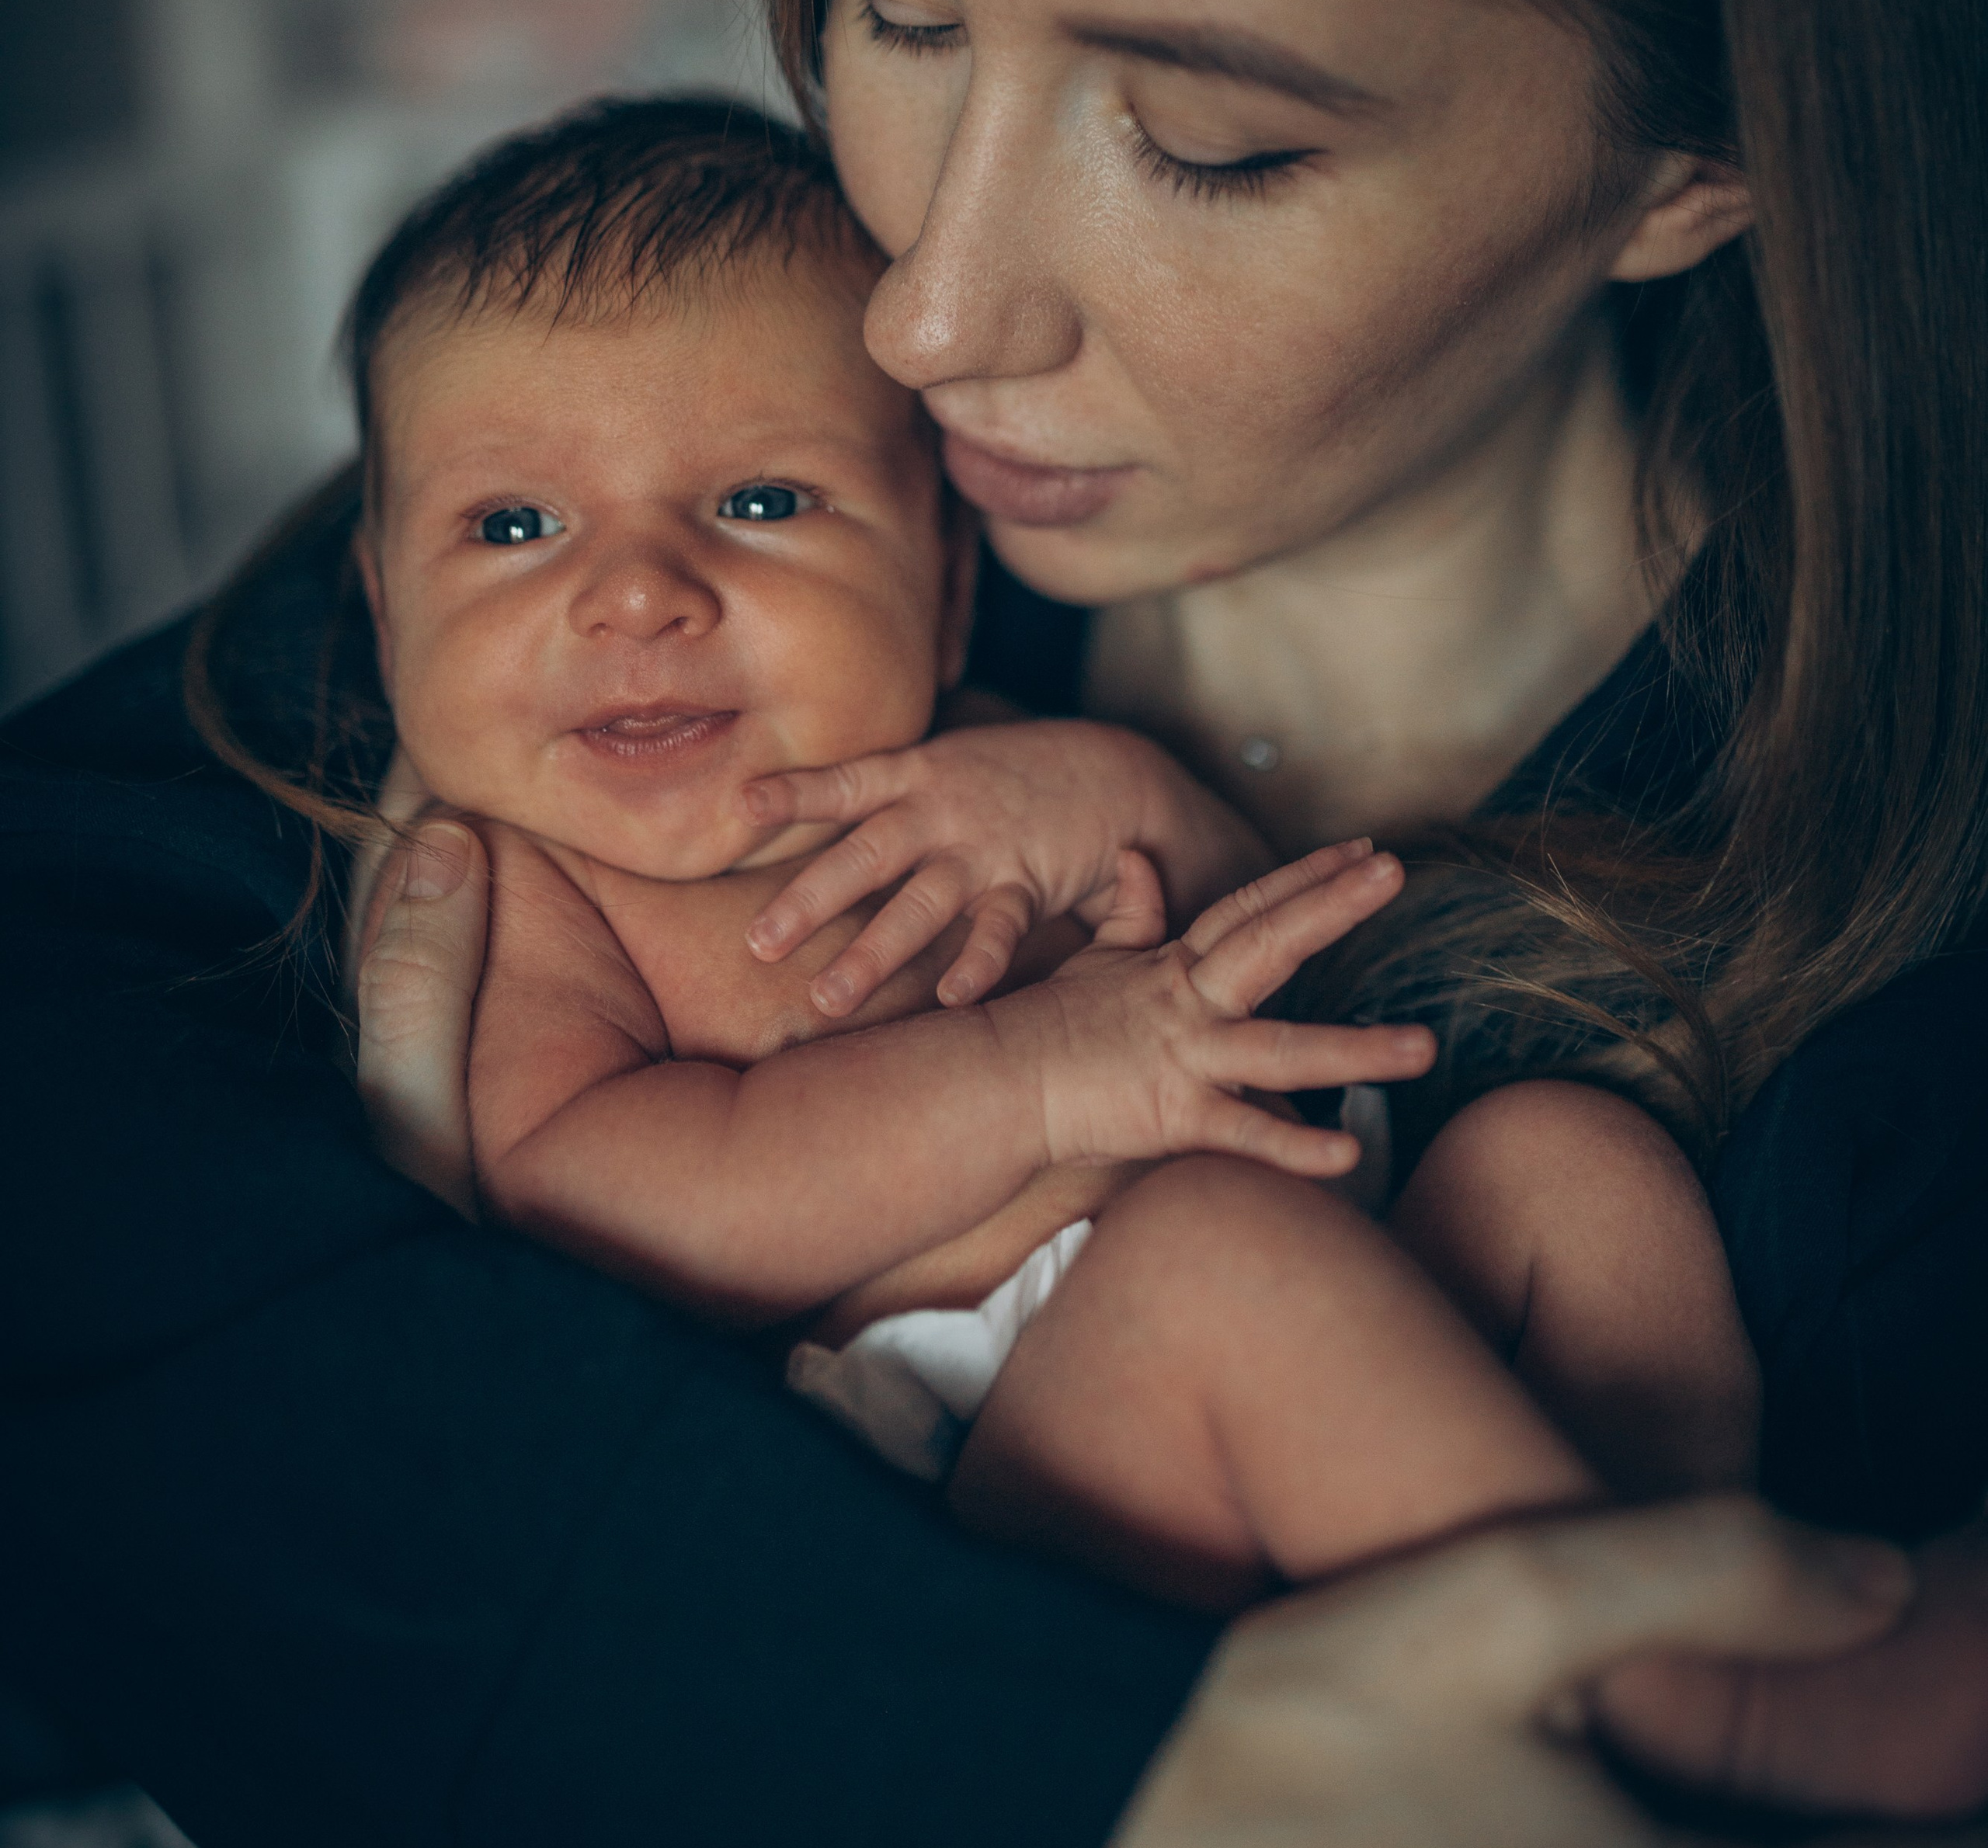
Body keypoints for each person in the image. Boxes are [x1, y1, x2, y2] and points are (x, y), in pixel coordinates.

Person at [4, 0, 1988, 1848]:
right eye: (895, 7)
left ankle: (1721, 1668)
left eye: (1205, 133)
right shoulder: (678, 523)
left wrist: (416, 1373)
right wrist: (1007, 1819)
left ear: (1698, 153)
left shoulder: (1898, 939)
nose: (927, 299)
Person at [236, 92, 1750, 1601]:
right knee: (1214, 1269)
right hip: (978, 1471)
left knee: (1567, 1161)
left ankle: (1718, 1592)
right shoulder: (515, 884)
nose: (636, 596)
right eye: (512, 527)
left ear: (943, 587)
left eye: (760, 502)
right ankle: (1666, 1700)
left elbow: (1258, 974)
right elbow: (602, 1202)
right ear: (383, 612)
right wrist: (1032, 1079)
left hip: (1307, 1276)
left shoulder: (976, 747)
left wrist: (1132, 800)